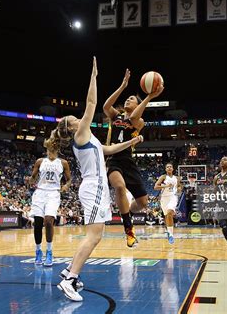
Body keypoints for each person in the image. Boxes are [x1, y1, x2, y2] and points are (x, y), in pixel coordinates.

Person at [55, 57, 144, 302]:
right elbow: (92, 102)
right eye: (74, 118)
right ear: (72, 127)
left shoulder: (90, 139)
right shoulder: (81, 134)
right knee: (93, 236)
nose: (78, 118)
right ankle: (70, 279)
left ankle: (69, 269)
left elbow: (110, 150)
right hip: (93, 186)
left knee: (96, 234)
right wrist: (93, 77)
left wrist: (132, 142)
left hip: (97, 187)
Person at [103, 68, 163, 247]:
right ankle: (128, 229)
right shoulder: (116, 116)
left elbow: (135, 115)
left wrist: (149, 97)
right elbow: (106, 106)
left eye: (132, 99)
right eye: (127, 98)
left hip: (128, 161)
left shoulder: (139, 121)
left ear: (138, 104)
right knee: (120, 187)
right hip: (114, 159)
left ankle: (125, 212)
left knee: (143, 203)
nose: (128, 99)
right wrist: (122, 86)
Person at [28, 134, 72, 266]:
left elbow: (69, 179)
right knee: (38, 223)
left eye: (53, 151)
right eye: (49, 151)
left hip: (53, 193)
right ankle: (37, 251)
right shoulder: (40, 161)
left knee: (48, 221)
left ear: (57, 151)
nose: (50, 153)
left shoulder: (63, 163)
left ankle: (49, 251)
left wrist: (65, 186)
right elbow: (33, 177)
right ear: (46, 150)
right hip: (40, 193)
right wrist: (31, 180)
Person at [154, 163, 182, 244]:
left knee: (170, 213)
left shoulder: (177, 178)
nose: (169, 168)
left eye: (170, 167)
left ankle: (171, 234)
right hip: (164, 198)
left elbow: (179, 186)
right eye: (167, 167)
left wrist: (179, 189)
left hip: (173, 197)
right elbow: (155, 187)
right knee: (166, 216)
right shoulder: (163, 177)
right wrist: (165, 186)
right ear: (166, 169)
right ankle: (168, 231)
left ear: (173, 169)